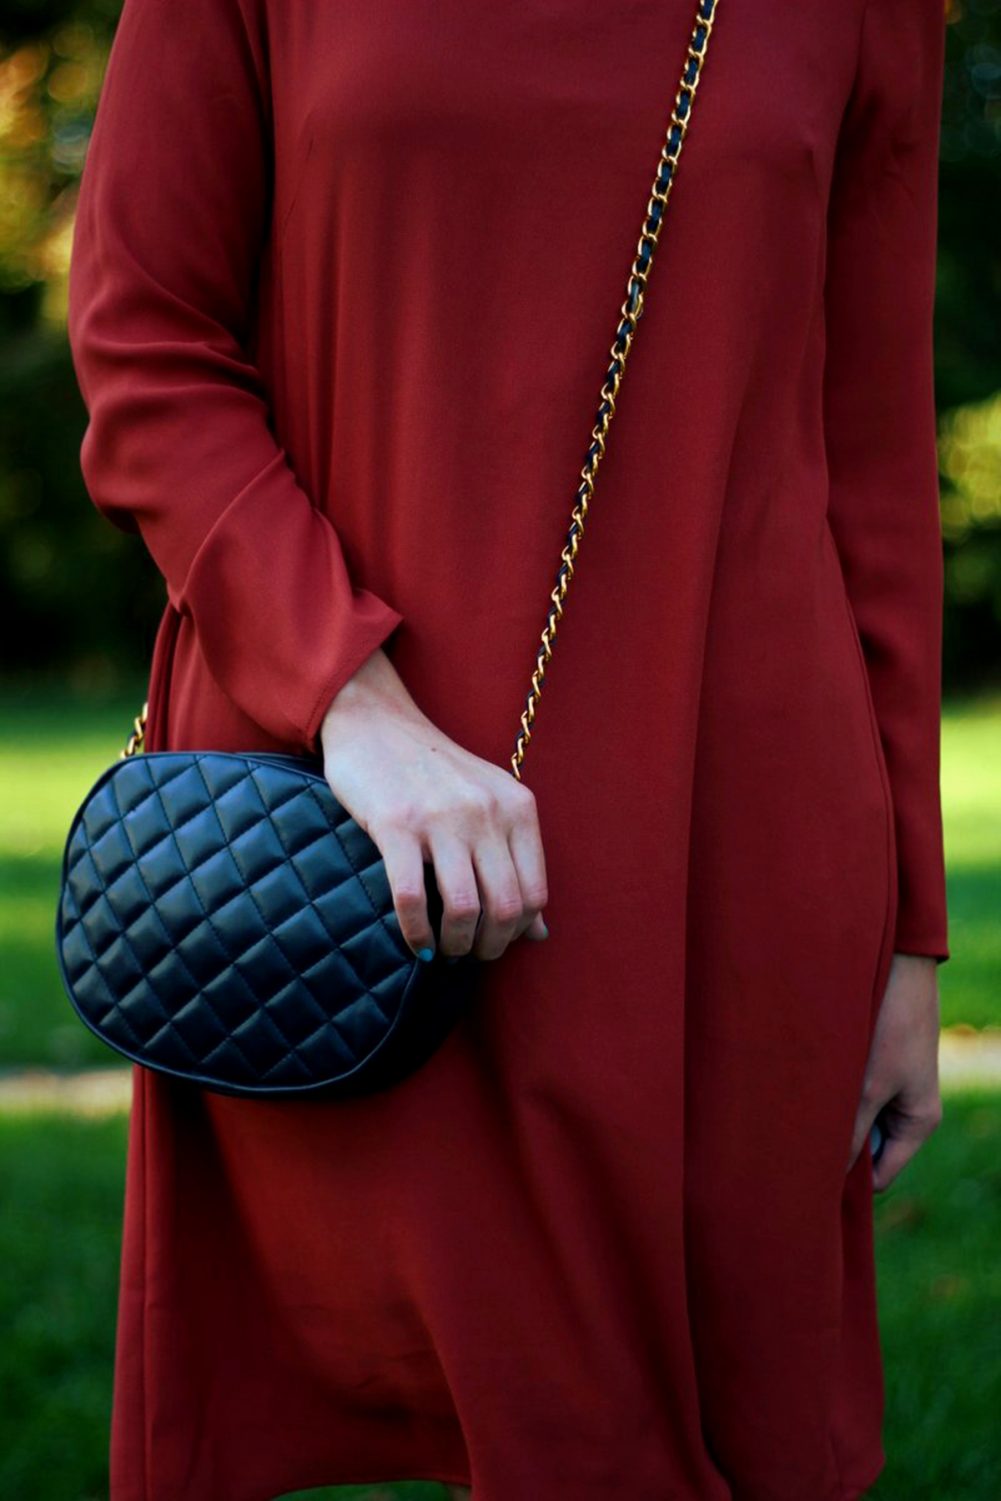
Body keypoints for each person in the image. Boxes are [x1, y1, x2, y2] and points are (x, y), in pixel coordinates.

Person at [65, 0, 950, 1497]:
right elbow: (143, 340)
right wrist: (354, 700)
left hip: (728, 843)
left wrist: (906, 934)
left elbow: (868, 459)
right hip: (347, 844)